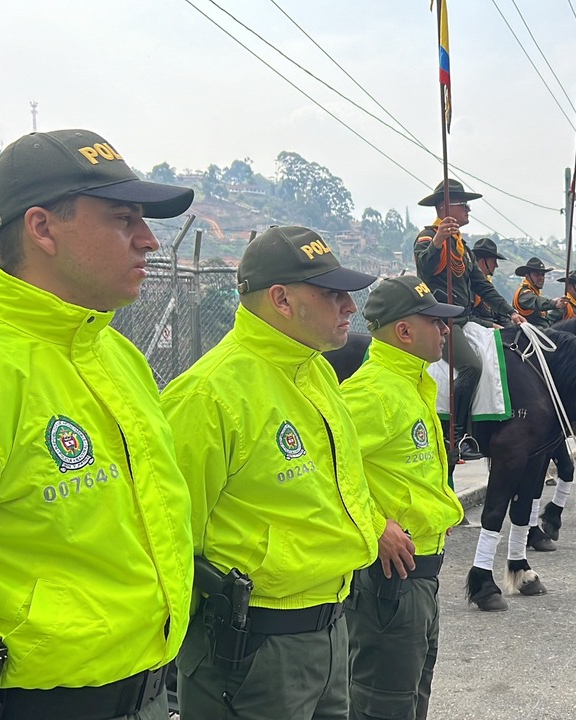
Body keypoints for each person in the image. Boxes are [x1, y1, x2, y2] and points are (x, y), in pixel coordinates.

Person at [0, 128, 195, 720]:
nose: (149, 240)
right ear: (42, 229)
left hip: (148, 691)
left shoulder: (118, 358)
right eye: (124, 219)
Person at [162, 226, 399, 718]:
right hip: (254, 647)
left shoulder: (316, 373)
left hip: (330, 627)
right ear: (282, 299)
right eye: (332, 293)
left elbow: (339, 488)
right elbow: (170, 538)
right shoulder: (210, 394)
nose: (350, 307)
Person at [341, 276, 467, 720]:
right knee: (383, 705)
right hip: (392, 583)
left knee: (412, 699)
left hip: (420, 577)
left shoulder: (411, 384)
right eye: (435, 321)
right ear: (405, 332)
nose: (445, 330)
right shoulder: (373, 392)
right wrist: (374, 525)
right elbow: (323, 466)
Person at [413, 180, 524, 461]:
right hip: (441, 319)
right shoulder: (428, 237)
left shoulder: (463, 248)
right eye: (463, 204)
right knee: (471, 366)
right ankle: (459, 435)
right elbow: (424, 271)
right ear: (445, 206)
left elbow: (481, 286)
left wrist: (509, 311)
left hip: (464, 318)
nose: (468, 209)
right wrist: (438, 241)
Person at [513, 257, 562, 328]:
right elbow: (537, 301)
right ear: (527, 276)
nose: (541, 278)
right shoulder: (524, 294)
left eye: (543, 275)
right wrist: (554, 303)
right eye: (537, 274)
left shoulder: (535, 293)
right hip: (529, 334)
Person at [470, 237, 506, 327]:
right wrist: (492, 325)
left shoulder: (487, 284)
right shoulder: (469, 285)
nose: (496, 265)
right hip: (477, 331)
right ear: (482, 261)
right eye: (494, 261)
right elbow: (467, 317)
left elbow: (498, 313)